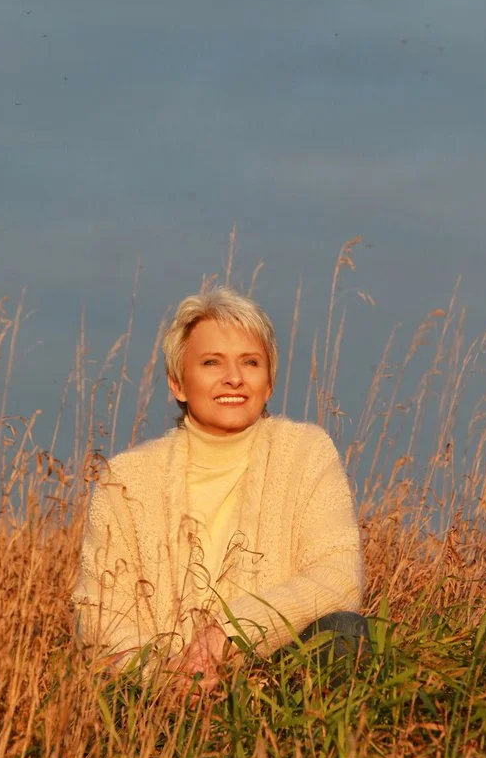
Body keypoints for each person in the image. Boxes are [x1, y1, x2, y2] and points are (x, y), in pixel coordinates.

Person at [73, 287, 367, 692]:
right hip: (160, 688)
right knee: (105, 678)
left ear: (269, 382)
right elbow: (100, 613)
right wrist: (167, 676)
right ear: (177, 383)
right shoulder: (125, 479)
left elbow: (338, 577)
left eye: (251, 362)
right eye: (212, 362)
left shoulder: (307, 452)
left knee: (345, 632)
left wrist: (229, 636)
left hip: (273, 677)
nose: (234, 378)